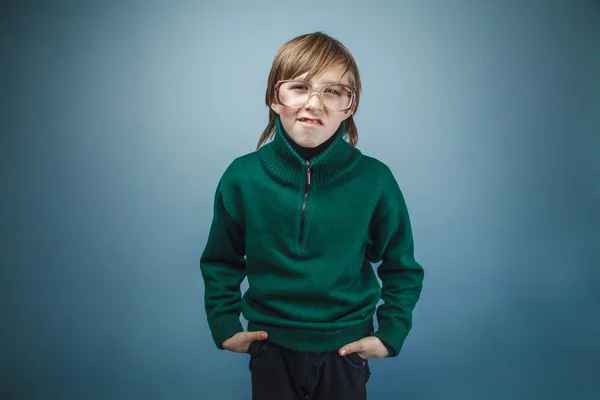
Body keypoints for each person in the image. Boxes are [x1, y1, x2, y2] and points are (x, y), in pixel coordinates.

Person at [200, 31, 424, 400]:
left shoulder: (375, 180)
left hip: (344, 348)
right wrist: (224, 324)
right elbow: (221, 260)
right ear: (276, 97)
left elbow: (402, 267)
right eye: (300, 87)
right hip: (271, 345)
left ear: (349, 107)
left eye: (334, 91)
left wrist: (391, 333)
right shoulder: (242, 177)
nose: (315, 103)